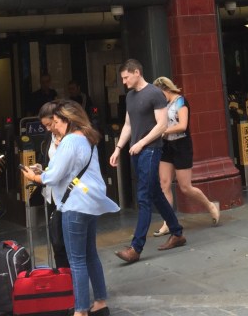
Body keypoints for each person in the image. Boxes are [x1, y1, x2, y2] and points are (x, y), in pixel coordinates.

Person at [21, 100, 119, 316]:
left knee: (76, 260)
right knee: (90, 254)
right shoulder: (87, 138)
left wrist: (35, 176)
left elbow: (54, 176)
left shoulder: (69, 142)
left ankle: (81, 310)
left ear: (67, 120)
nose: (54, 126)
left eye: (56, 121)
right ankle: (101, 303)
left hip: (74, 204)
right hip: (89, 201)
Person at [109, 59, 185, 263]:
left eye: (126, 77)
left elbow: (161, 125)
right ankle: (177, 232)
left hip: (150, 150)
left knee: (143, 197)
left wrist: (141, 143)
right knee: (155, 194)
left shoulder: (154, 93)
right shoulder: (130, 97)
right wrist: (118, 148)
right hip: (137, 151)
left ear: (136, 72)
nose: (124, 82)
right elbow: (127, 125)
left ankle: (136, 247)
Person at [150, 76, 221, 237]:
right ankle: (167, 222)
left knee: (185, 187)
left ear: (166, 89)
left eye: (160, 94)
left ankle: (210, 206)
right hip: (166, 146)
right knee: (164, 184)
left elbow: (182, 126)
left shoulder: (181, 102)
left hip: (181, 146)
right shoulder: (163, 104)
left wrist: (162, 131)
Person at [38, 100, 69, 269]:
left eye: (51, 124)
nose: (49, 128)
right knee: (56, 240)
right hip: (52, 194)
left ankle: (74, 283)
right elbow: (49, 162)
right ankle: (63, 278)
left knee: (68, 242)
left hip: (68, 195)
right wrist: (40, 169)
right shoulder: (48, 137)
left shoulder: (71, 138)